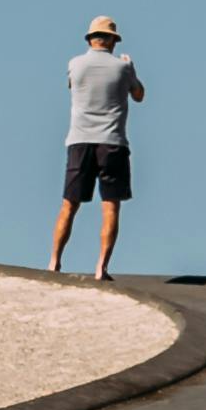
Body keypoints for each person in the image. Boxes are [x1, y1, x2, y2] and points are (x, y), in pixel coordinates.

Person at [50, 14, 146, 274]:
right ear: (112, 41)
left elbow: (72, 86)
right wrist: (132, 71)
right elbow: (139, 95)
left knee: (69, 204)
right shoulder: (122, 68)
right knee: (111, 205)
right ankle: (101, 267)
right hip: (112, 142)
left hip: (80, 141)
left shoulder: (75, 64)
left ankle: (54, 261)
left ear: (91, 39)